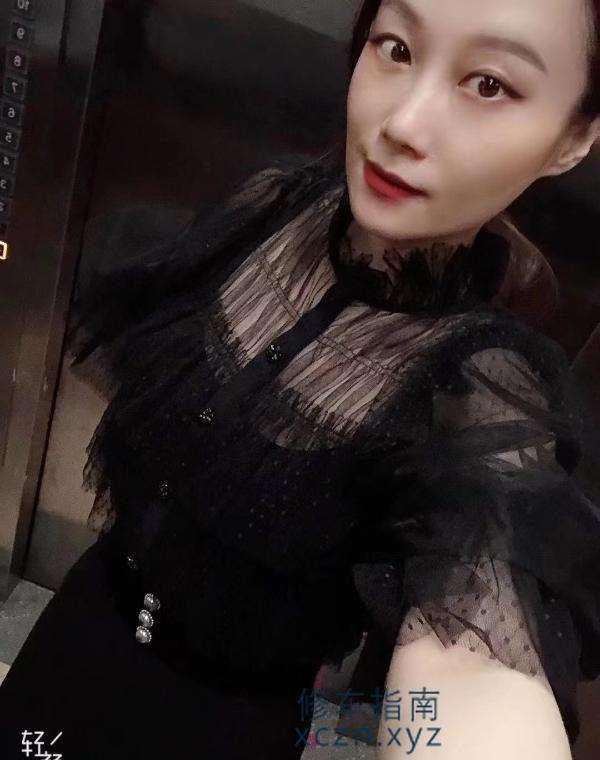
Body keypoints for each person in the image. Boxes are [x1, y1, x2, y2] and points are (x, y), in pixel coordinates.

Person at [1, 0, 600, 757]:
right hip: (79, 633)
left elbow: (476, 663)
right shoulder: (273, 207)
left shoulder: (478, 385)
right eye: (396, 48)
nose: (404, 125)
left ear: (572, 139)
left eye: (489, 84)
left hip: (214, 730)